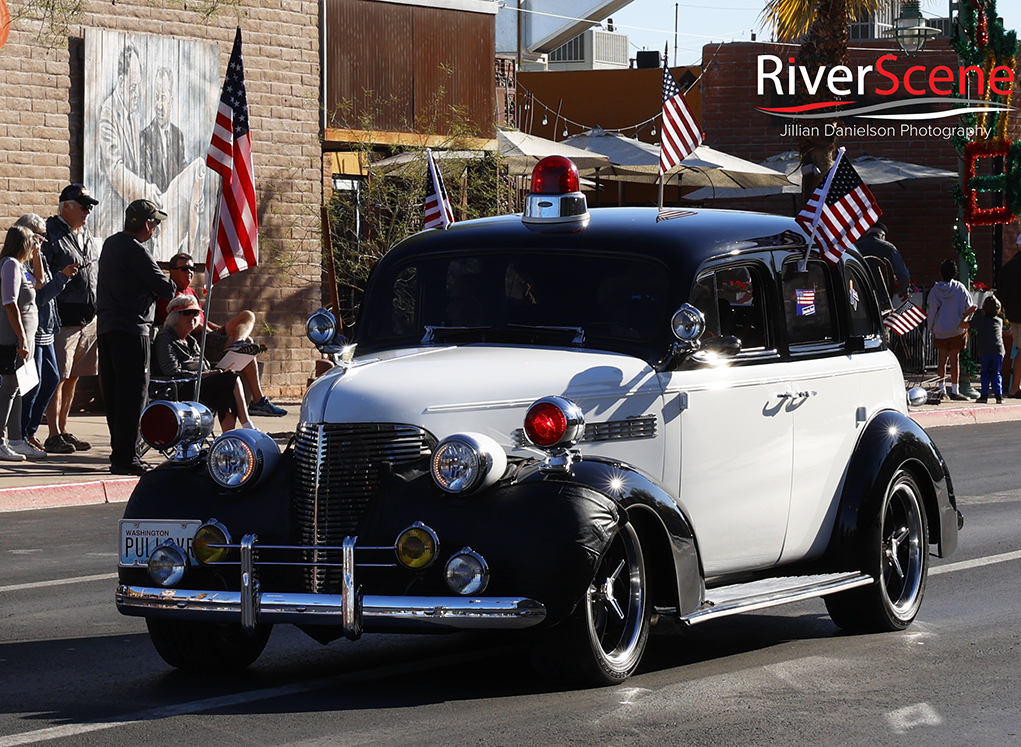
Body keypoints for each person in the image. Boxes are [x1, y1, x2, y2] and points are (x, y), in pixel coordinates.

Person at [96, 199, 176, 476]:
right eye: (154, 222)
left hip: (107, 329)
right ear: (146, 224)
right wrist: (163, 284)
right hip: (132, 330)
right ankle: (127, 457)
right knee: (133, 395)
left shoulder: (111, 244)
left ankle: (120, 454)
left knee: (116, 395)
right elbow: (166, 288)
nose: (155, 227)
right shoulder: (135, 249)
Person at [155, 252, 287, 417]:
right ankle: (258, 400)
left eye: (192, 268)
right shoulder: (170, 294)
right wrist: (213, 333)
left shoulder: (190, 292)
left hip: (210, 334)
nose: (189, 272)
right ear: (171, 271)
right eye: (184, 268)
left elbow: (203, 318)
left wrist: (220, 329)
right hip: (198, 338)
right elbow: (188, 325)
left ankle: (237, 343)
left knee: (247, 316)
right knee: (247, 344)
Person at [12, 214, 78, 457]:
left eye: (44, 236)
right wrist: (62, 278)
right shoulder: (18, 265)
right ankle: (21, 434)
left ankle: (29, 431)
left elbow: (42, 283)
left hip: (47, 331)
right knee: (29, 385)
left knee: (50, 379)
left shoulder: (38, 259)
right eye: (38, 236)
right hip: (33, 333)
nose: (43, 240)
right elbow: (38, 297)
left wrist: (52, 268)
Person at [42, 183, 101, 454]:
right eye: (83, 206)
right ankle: (52, 432)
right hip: (62, 317)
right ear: (66, 206)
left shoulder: (86, 235)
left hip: (87, 317)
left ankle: (64, 428)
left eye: (90, 207)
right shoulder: (51, 233)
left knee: (74, 375)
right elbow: (39, 275)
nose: (87, 211)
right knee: (58, 377)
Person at [153, 295, 253, 431]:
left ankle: (227, 437)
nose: (192, 317)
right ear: (174, 317)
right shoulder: (165, 338)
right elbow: (172, 372)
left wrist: (215, 371)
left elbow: (205, 365)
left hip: (199, 385)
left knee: (226, 395)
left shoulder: (191, 341)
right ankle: (247, 424)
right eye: (187, 313)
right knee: (231, 377)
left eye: (195, 313)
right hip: (179, 388)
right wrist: (205, 375)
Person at [0, 225, 42, 461]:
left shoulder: (19, 266)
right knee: (8, 388)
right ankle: (1, 441)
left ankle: (16, 439)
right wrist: (22, 338)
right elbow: (10, 303)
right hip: (14, 337)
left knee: (18, 388)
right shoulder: (10, 265)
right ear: (22, 243)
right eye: (31, 242)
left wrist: (37, 255)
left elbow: (39, 282)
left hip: (24, 337)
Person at [927, 258, 977, 401]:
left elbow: (931, 312)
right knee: (955, 360)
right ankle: (955, 390)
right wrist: (964, 320)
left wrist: (931, 328)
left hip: (940, 329)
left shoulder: (935, 290)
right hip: (956, 330)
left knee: (942, 360)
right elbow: (970, 306)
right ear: (955, 273)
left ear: (940, 273)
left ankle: (941, 389)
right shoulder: (960, 288)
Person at [855, 222, 911, 301]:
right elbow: (903, 274)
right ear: (883, 236)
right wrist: (903, 290)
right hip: (882, 299)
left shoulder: (855, 248)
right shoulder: (889, 248)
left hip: (858, 297)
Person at [968, 295, 1005, 404]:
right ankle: (999, 395)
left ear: (983, 309)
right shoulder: (999, 321)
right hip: (998, 349)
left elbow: (963, 325)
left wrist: (968, 314)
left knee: (985, 373)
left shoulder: (980, 320)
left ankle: (984, 395)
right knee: (996, 373)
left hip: (985, 350)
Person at [995, 244, 1021, 398]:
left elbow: (1001, 293)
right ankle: (1014, 387)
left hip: (1013, 315)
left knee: (1018, 349)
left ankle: (1015, 386)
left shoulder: (1009, 265)